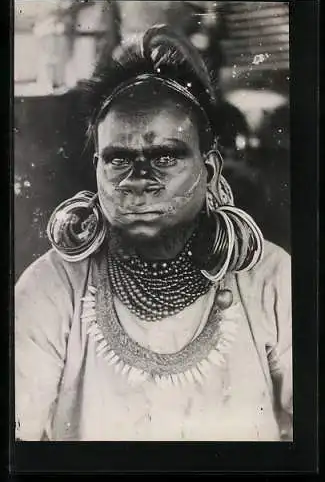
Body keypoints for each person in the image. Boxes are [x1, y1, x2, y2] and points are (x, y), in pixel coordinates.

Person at [15, 25, 292, 441]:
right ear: (96, 169)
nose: (138, 180)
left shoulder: (272, 281)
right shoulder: (51, 288)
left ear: (210, 170)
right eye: (118, 159)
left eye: (165, 156)